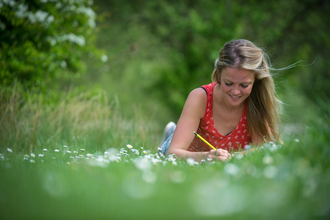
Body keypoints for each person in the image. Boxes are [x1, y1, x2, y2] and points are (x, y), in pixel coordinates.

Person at [159, 39, 282, 162]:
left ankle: (174, 130)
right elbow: (173, 153)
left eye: (244, 85)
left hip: (225, 158)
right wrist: (206, 156)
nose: (235, 91)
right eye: (228, 83)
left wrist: (234, 157)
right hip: (191, 156)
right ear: (218, 75)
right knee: (172, 144)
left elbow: (263, 148)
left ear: (255, 81)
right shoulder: (200, 98)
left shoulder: (256, 103)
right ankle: (173, 133)